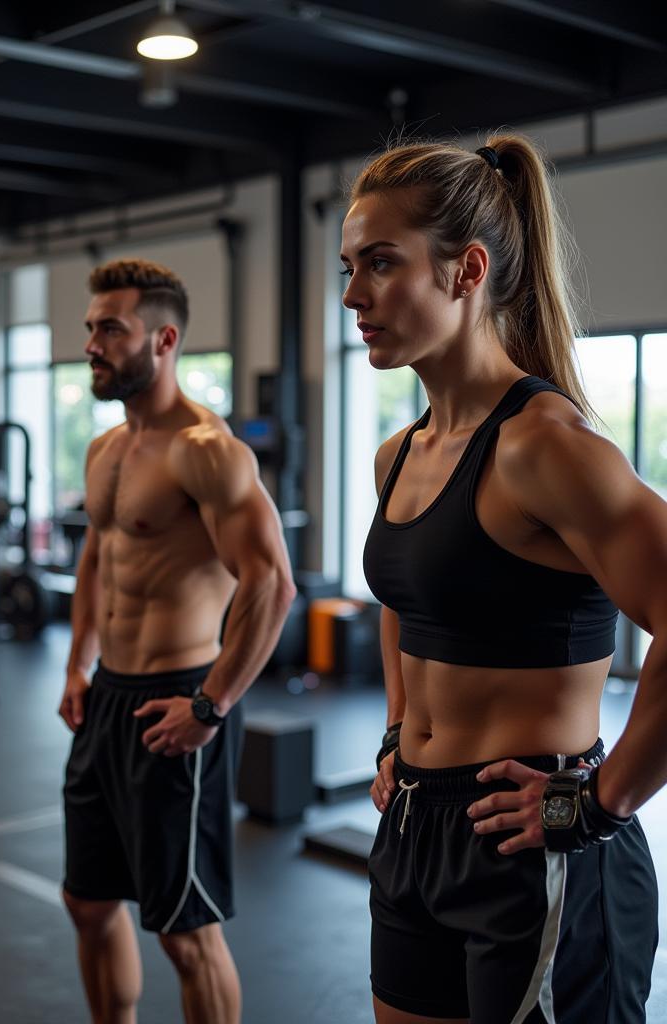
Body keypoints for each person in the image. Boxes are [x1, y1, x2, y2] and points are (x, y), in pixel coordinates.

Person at [344, 135, 665, 1023]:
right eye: (349, 266)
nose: (352, 295)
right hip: (416, 825)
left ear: (465, 270)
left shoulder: (546, 448)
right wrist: (397, 727)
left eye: (379, 264)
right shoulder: (396, 455)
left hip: (539, 841)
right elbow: (403, 603)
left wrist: (599, 804)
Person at [59, 259, 295, 1024]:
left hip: (177, 702)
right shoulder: (105, 450)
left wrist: (211, 704)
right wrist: (77, 662)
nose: (92, 343)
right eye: (91, 327)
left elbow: (271, 584)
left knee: (187, 933)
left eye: (110, 329)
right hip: (108, 699)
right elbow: (98, 554)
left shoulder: (207, 449)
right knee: (89, 902)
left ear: (163, 340)